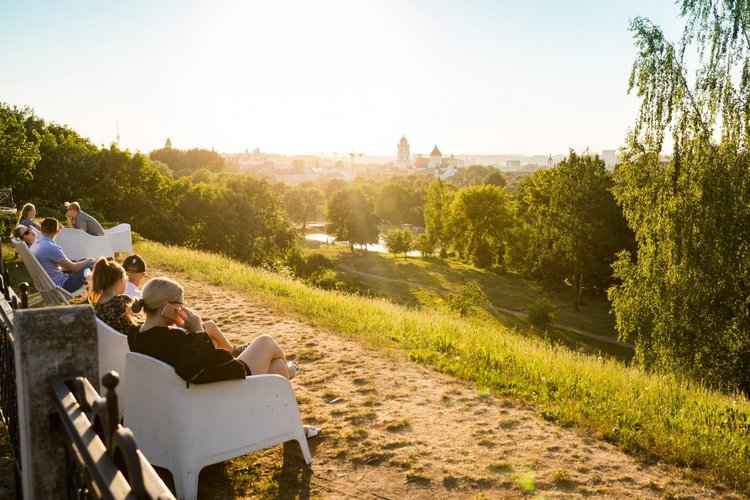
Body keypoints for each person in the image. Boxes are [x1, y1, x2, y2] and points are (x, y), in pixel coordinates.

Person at [128, 277, 320, 437]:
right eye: (181, 304)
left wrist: (196, 334)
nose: (184, 309)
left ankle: (288, 425)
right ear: (167, 307)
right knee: (266, 341)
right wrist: (197, 330)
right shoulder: (174, 340)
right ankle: (289, 414)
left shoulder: (136, 335)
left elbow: (196, 363)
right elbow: (214, 361)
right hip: (217, 401)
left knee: (277, 366)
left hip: (184, 404)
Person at [32, 217, 95, 292]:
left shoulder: (35, 244)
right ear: (58, 231)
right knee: (92, 263)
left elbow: (51, 267)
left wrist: (84, 261)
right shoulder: (52, 247)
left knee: (83, 260)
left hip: (49, 284)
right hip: (63, 286)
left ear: (41, 230)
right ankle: (98, 292)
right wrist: (90, 259)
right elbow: (75, 268)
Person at [88, 258, 139, 334]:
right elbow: (135, 328)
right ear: (121, 280)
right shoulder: (123, 301)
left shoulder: (95, 306)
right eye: (126, 279)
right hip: (124, 344)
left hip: (105, 344)